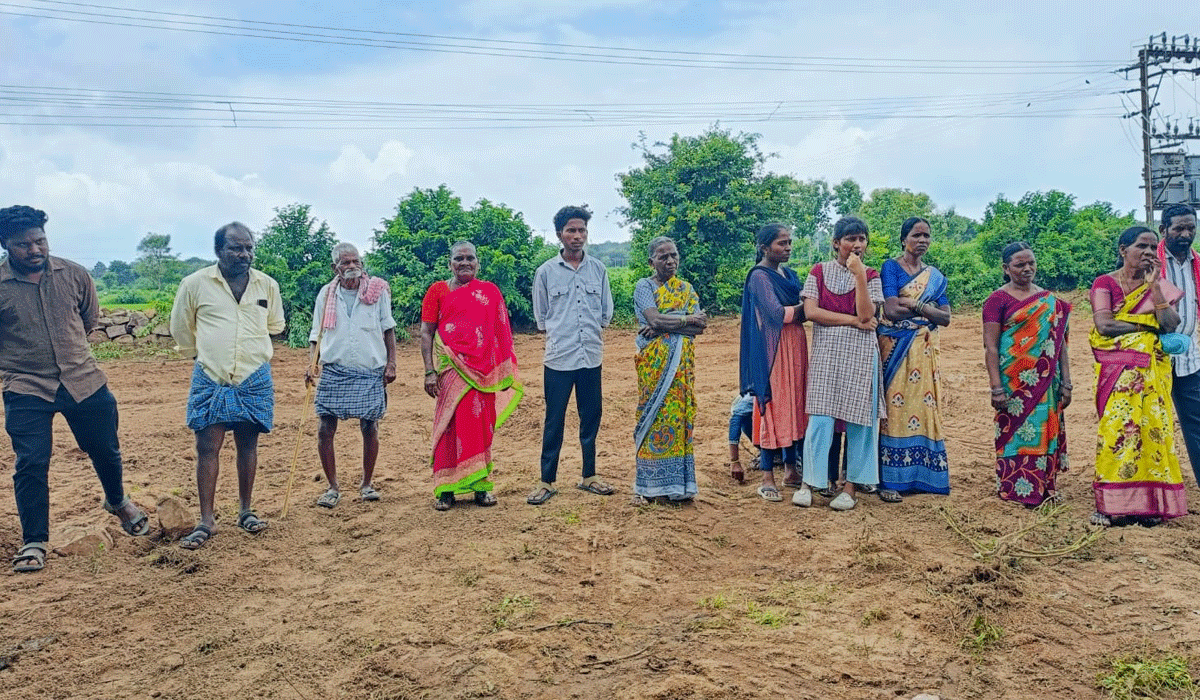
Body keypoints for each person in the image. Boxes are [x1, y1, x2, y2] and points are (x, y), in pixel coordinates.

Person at [0, 205, 150, 573]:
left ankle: (117, 500)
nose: (35, 249)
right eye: (24, 245)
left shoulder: (75, 274)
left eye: (40, 240)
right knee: (31, 462)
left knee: (105, 448)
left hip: (84, 379)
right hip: (26, 386)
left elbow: (87, 319)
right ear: (5, 245)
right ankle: (34, 540)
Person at [170, 222, 285, 549]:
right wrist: (203, 356)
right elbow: (181, 328)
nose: (244, 254)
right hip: (211, 375)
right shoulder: (195, 284)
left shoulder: (267, 285)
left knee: (248, 445)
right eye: (236, 248)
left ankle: (246, 512)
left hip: (254, 375)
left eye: (248, 247)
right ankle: (207, 520)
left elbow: (275, 325)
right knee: (208, 447)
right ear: (218, 250)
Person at [1089, 226, 1185, 526]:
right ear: (1123, 250)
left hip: (1153, 375)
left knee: (1153, 431)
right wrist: (1145, 329)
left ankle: (1150, 506)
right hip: (1117, 372)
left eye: (1152, 247)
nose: (1147, 252)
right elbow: (1104, 326)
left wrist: (1154, 288)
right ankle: (1112, 507)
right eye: (1141, 246)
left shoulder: (1162, 287)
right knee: (1119, 433)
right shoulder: (1105, 284)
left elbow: (1170, 326)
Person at [421, 241, 523, 510]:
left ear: (478, 262)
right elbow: (427, 332)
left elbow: (502, 331)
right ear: (449, 263)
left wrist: (503, 372)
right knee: (448, 427)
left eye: (470, 258)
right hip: (450, 369)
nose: (464, 263)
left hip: (482, 373)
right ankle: (446, 490)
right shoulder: (437, 291)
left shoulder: (489, 292)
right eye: (458, 258)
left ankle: (480, 487)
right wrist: (429, 371)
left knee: (480, 426)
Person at [527, 205, 615, 505]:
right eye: (571, 231)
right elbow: (541, 317)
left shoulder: (598, 270)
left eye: (581, 230)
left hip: (591, 356)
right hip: (559, 359)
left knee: (591, 417)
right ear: (559, 235)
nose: (577, 236)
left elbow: (606, 313)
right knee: (554, 420)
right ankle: (547, 481)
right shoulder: (546, 272)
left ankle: (589, 475)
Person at [795, 217, 883, 511]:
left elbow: (868, 315)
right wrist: (854, 322)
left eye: (862, 239)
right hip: (826, 356)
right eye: (850, 239)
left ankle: (850, 488)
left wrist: (858, 275)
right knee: (820, 419)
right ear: (836, 243)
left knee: (860, 422)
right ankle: (810, 483)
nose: (857, 245)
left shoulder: (871, 276)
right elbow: (811, 312)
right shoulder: (819, 271)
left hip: (860, 356)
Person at [306, 242, 397, 508]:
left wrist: (391, 364)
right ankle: (332, 487)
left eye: (355, 261)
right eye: (345, 263)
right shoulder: (326, 294)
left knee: (370, 427)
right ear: (335, 267)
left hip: (370, 368)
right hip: (334, 369)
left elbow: (388, 328)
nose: (352, 266)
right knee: (325, 428)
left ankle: (367, 484)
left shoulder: (377, 291)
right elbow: (316, 334)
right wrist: (312, 364)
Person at [983, 242, 1072, 507]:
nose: (1027, 268)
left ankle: (1045, 486)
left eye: (1031, 262)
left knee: (1045, 430)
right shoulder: (997, 300)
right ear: (1006, 268)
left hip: (1046, 381)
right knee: (1015, 432)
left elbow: (1060, 345)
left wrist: (1066, 382)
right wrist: (996, 387)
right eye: (1020, 264)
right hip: (1013, 382)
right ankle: (1015, 488)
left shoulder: (1049, 300)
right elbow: (991, 346)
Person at [877, 217, 952, 502]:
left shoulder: (935, 277)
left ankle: (922, 475)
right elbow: (892, 310)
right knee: (895, 407)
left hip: (924, 351)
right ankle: (890, 479)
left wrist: (916, 304)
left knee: (924, 407)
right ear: (903, 239)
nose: (922, 240)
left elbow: (945, 318)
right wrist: (925, 311)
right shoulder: (891, 268)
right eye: (916, 235)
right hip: (896, 347)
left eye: (927, 236)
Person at [632, 237, 706, 504]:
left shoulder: (686, 289)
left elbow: (700, 328)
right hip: (654, 364)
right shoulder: (644, 286)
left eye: (673, 255)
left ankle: (678, 487)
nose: (670, 261)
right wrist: (684, 318)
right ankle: (649, 487)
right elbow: (654, 318)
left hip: (682, 367)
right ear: (651, 261)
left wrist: (666, 324)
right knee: (652, 416)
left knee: (679, 418)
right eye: (663, 257)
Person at [739, 223, 807, 502]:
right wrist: (807, 309)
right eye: (781, 243)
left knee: (795, 404)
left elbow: (798, 311)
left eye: (789, 242)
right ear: (765, 247)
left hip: (796, 345)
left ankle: (791, 470)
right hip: (773, 349)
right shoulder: (758, 276)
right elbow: (774, 314)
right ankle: (767, 475)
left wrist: (804, 310)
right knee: (773, 405)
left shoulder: (789, 275)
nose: (788, 248)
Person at [1157, 204, 1200, 487]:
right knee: (1150, 425)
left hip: (1189, 358)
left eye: (1191, 229)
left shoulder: (1198, 264)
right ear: (1163, 231)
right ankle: (1151, 491)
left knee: (1197, 425)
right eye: (1178, 229)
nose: (1185, 234)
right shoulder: (1150, 262)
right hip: (1153, 357)